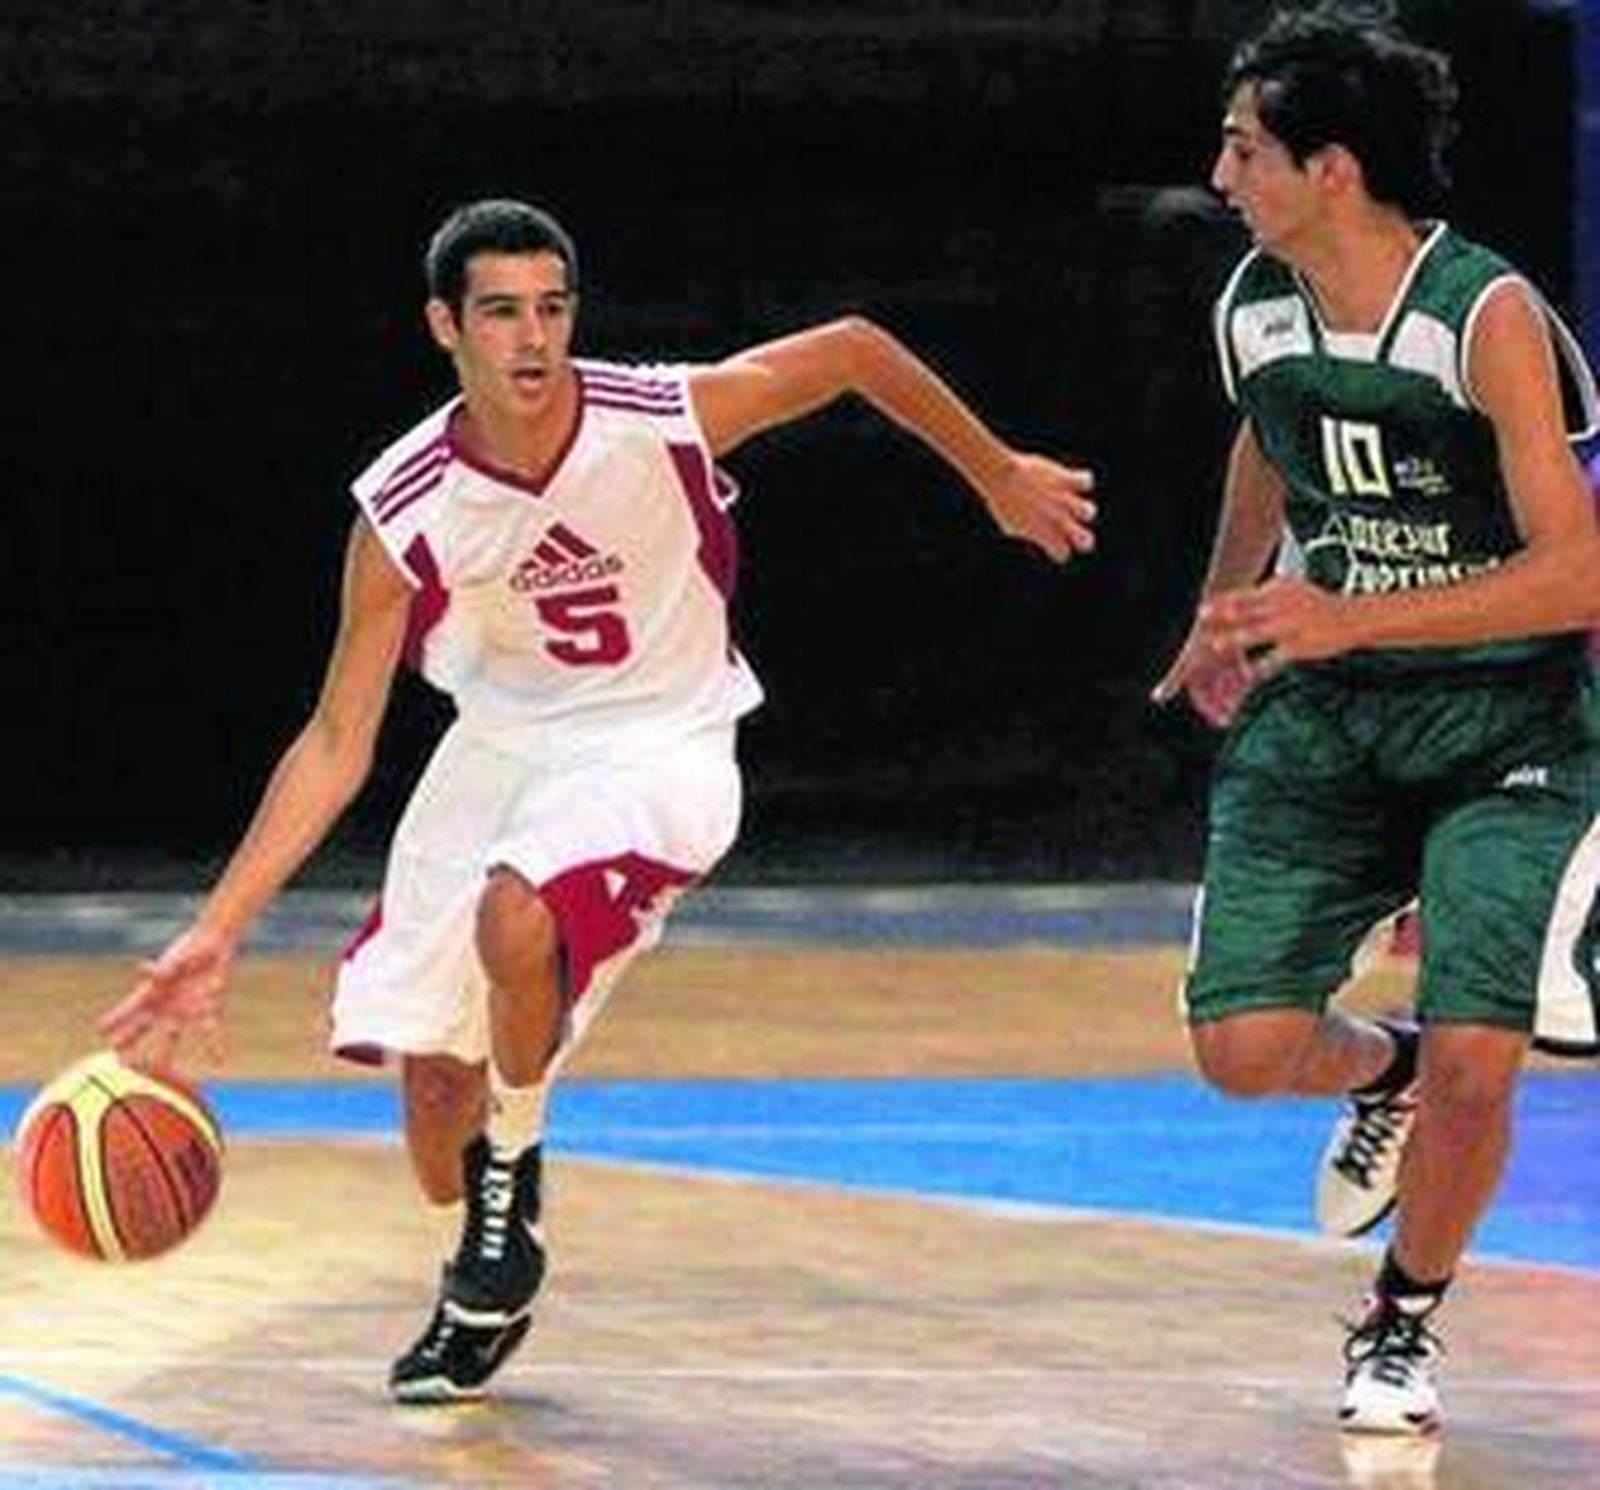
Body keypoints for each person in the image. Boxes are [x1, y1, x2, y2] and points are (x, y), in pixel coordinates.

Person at [98, 198, 1097, 1404]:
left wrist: (992, 471)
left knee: (515, 918)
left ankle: (510, 1197)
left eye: (553, 309)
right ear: (444, 326)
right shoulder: (405, 506)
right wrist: (219, 926)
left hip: (662, 740)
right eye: (503, 312)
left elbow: (848, 349)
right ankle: (491, 1248)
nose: (533, 339)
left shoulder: (656, 417)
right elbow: (335, 735)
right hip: (502, 750)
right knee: (430, 1100)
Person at [1152, 3, 1599, 1437]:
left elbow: (1580, 567)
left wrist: (1342, 613)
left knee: (1489, 1051)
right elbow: (1268, 442)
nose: (1222, 177)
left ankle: (1400, 1318)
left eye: (1243, 149)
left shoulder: (1484, 314)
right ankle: (1386, 1067)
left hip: (1508, 718)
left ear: (1331, 167)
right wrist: (1225, 604)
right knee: (1241, 1047)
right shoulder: (1256, 305)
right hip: (1334, 717)